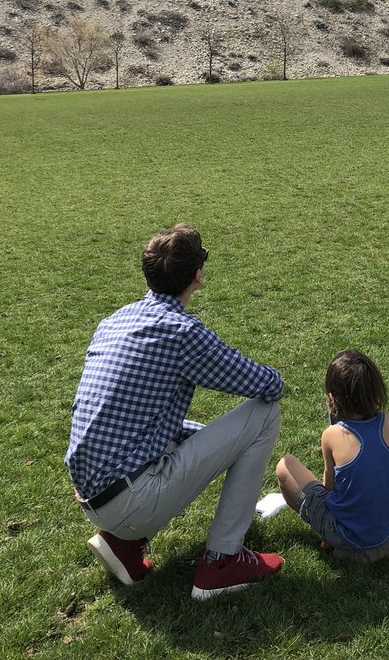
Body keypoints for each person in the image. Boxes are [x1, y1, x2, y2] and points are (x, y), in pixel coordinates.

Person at [66, 224, 285, 600]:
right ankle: (222, 561)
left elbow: (128, 418)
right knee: (265, 413)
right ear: (198, 274)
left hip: (91, 493)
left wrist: (208, 443)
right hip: (129, 499)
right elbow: (264, 385)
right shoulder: (182, 331)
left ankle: (122, 545)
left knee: (189, 435)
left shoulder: (113, 321)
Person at [275, 350, 389, 563]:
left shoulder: (333, 435)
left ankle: (331, 537)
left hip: (347, 537)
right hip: (383, 533)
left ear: (331, 398)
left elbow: (329, 487)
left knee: (285, 465)